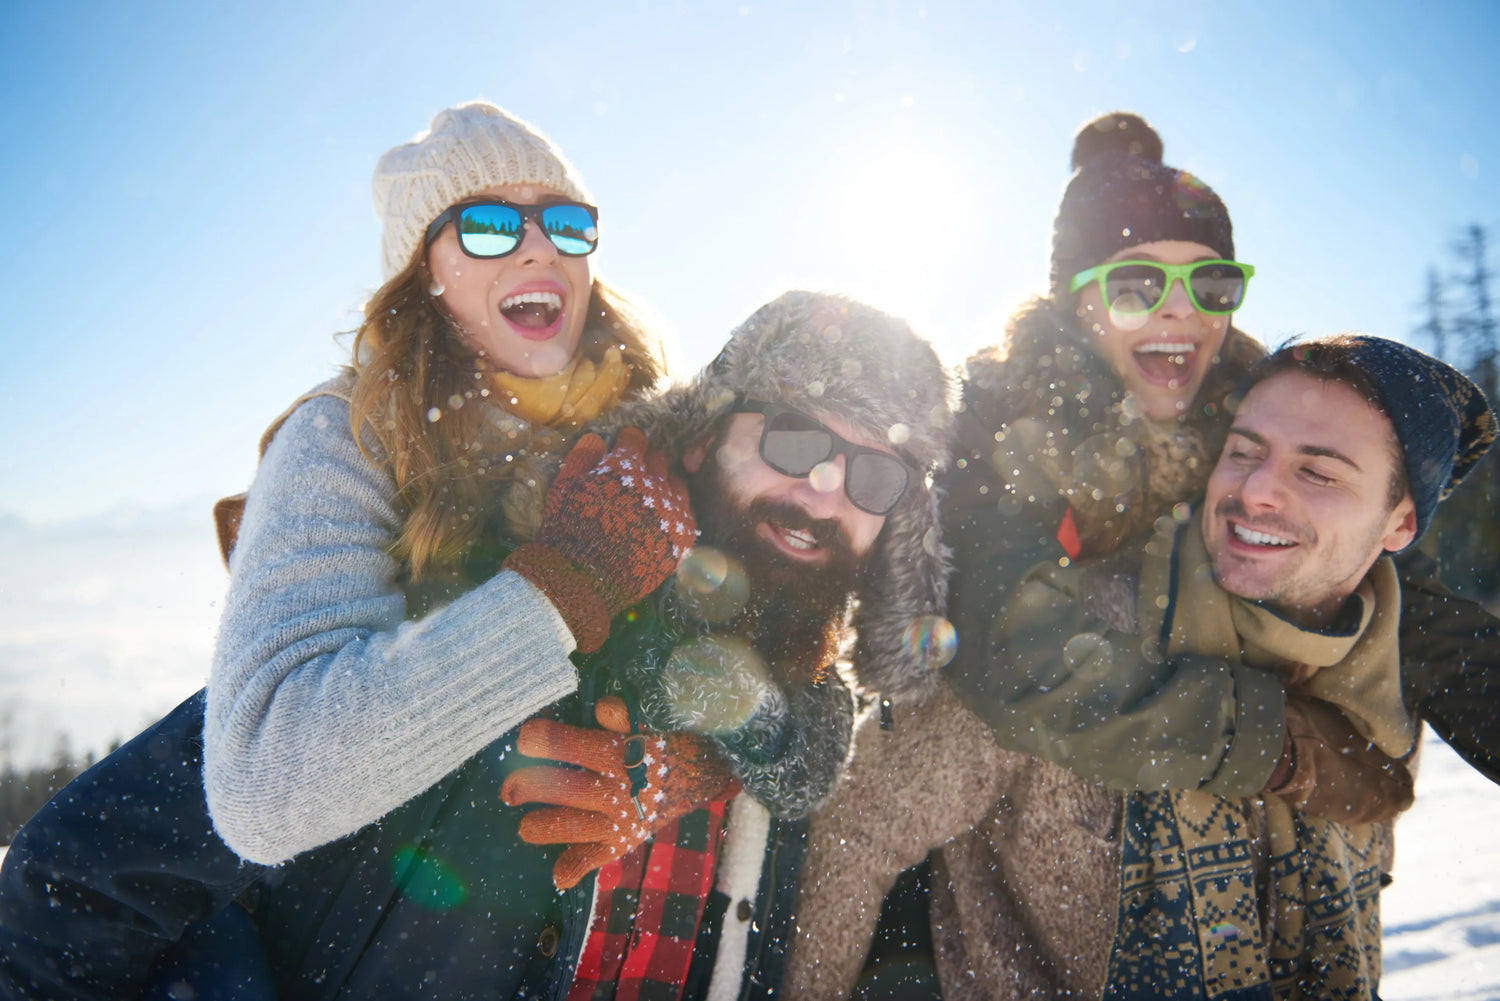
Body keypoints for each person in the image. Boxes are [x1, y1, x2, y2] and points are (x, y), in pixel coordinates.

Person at [0, 291, 954, 1001]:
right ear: (703, 437)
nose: (826, 491)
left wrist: (712, 756)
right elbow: (75, 880)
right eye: (794, 442)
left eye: (874, 473)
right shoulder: (496, 620)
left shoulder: (813, 756)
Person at [0, 98, 685, 996]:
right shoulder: (349, 438)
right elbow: (261, 787)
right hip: (184, 939)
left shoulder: (651, 450)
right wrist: (561, 590)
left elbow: (805, 663)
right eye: (484, 224)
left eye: (567, 222)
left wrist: (697, 766)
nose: (536, 246)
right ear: (424, 276)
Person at [932, 334, 1493, 1000]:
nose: (1256, 491)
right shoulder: (1101, 617)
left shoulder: (1388, 656)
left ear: (1398, 526)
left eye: (1318, 471)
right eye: (1245, 450)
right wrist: (1286, 750)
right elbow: (869, 825)